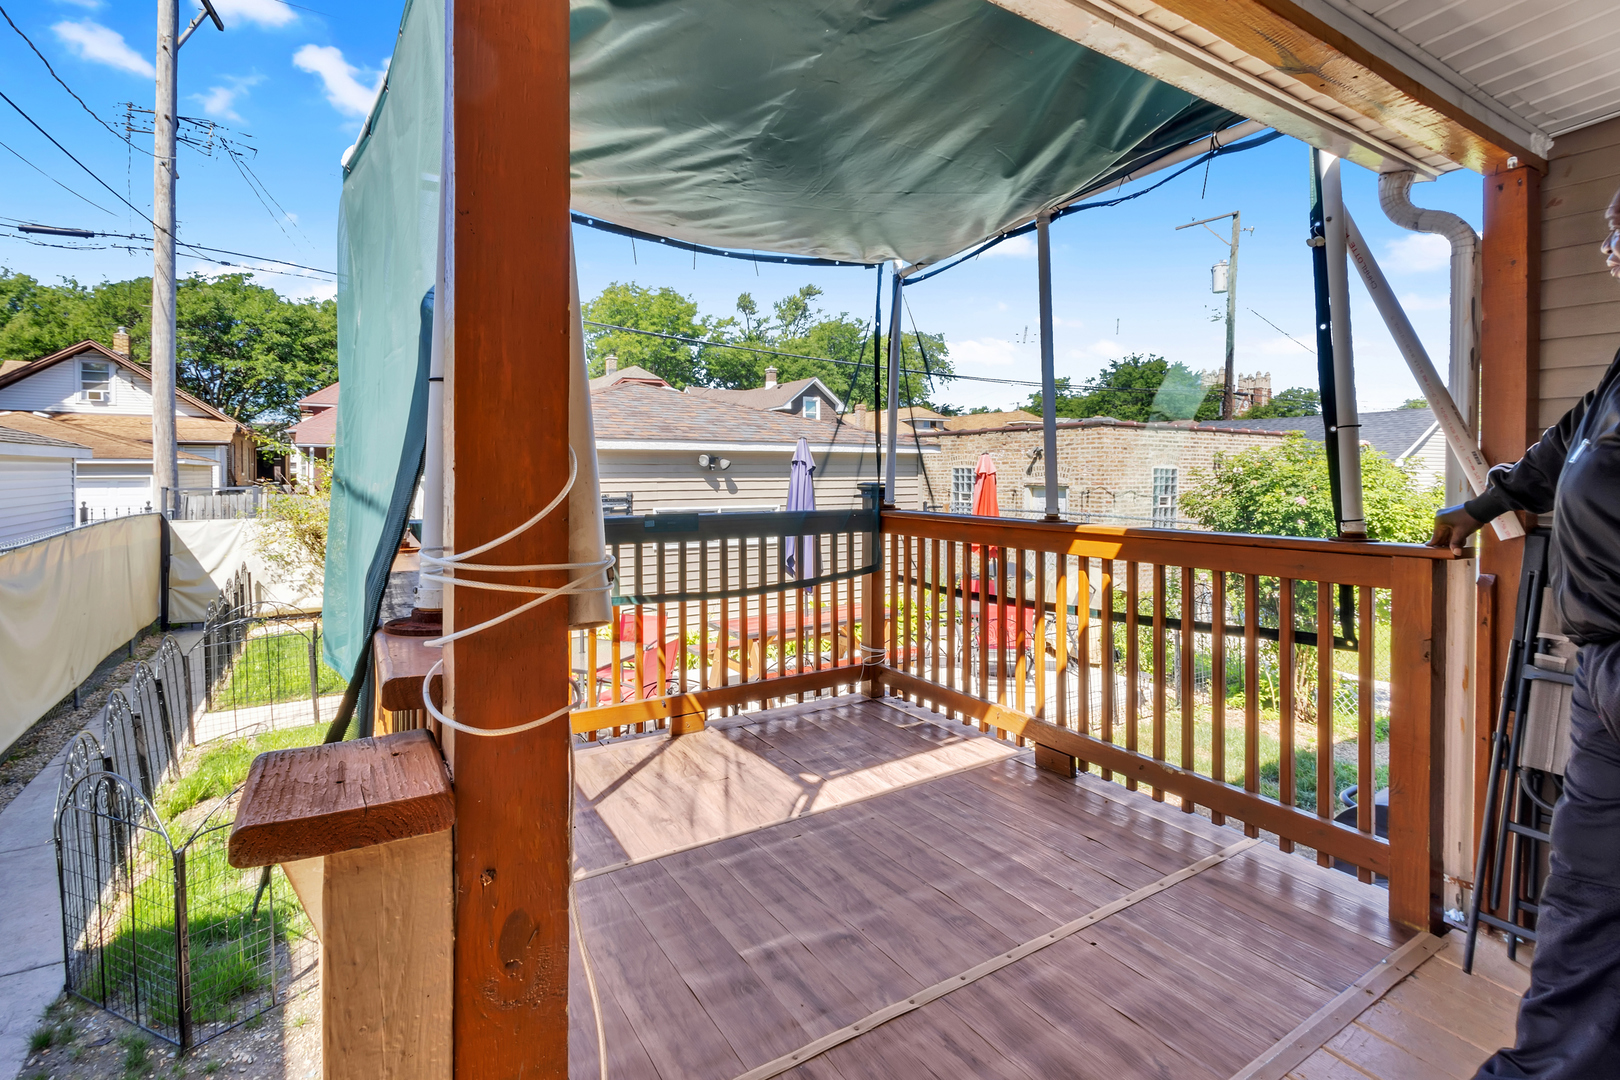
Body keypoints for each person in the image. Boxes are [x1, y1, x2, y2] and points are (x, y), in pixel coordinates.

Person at [1429, 186, 1620, 1080]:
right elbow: (1565, 446)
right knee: (1586, 900)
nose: (1609, 250)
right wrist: (1482, 503)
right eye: (1611, 233)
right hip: (1600, 670)